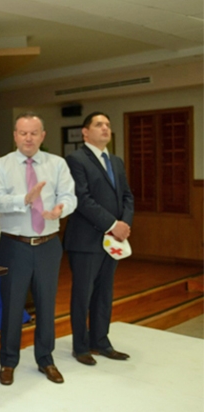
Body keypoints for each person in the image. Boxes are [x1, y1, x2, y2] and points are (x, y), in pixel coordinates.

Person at [0, 112, 77, 385]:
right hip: (14, 245)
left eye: (34, 133)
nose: (28, 138)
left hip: (48, 244)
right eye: (23, 133)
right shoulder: (0, 165)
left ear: (42, 136)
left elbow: (69, 196)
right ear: (15, 136)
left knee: (46, 303)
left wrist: (61, 209)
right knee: (12, 305)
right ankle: (8, 362)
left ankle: (46, 359)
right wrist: (25, 199)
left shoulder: (57, 164)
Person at [64, 111, 134, 365]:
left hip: (113, 240)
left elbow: (127, 196)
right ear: (85, 132)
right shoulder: (76, 159)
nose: (105, 128)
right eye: (98, 124)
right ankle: (81, 347)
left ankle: (101, 341)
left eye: (107, 124)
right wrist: (113, 224)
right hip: (86, 240)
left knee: (104, 293)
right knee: (83, 295)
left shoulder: (116, 161)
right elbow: (82, 199)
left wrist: (124, 224)